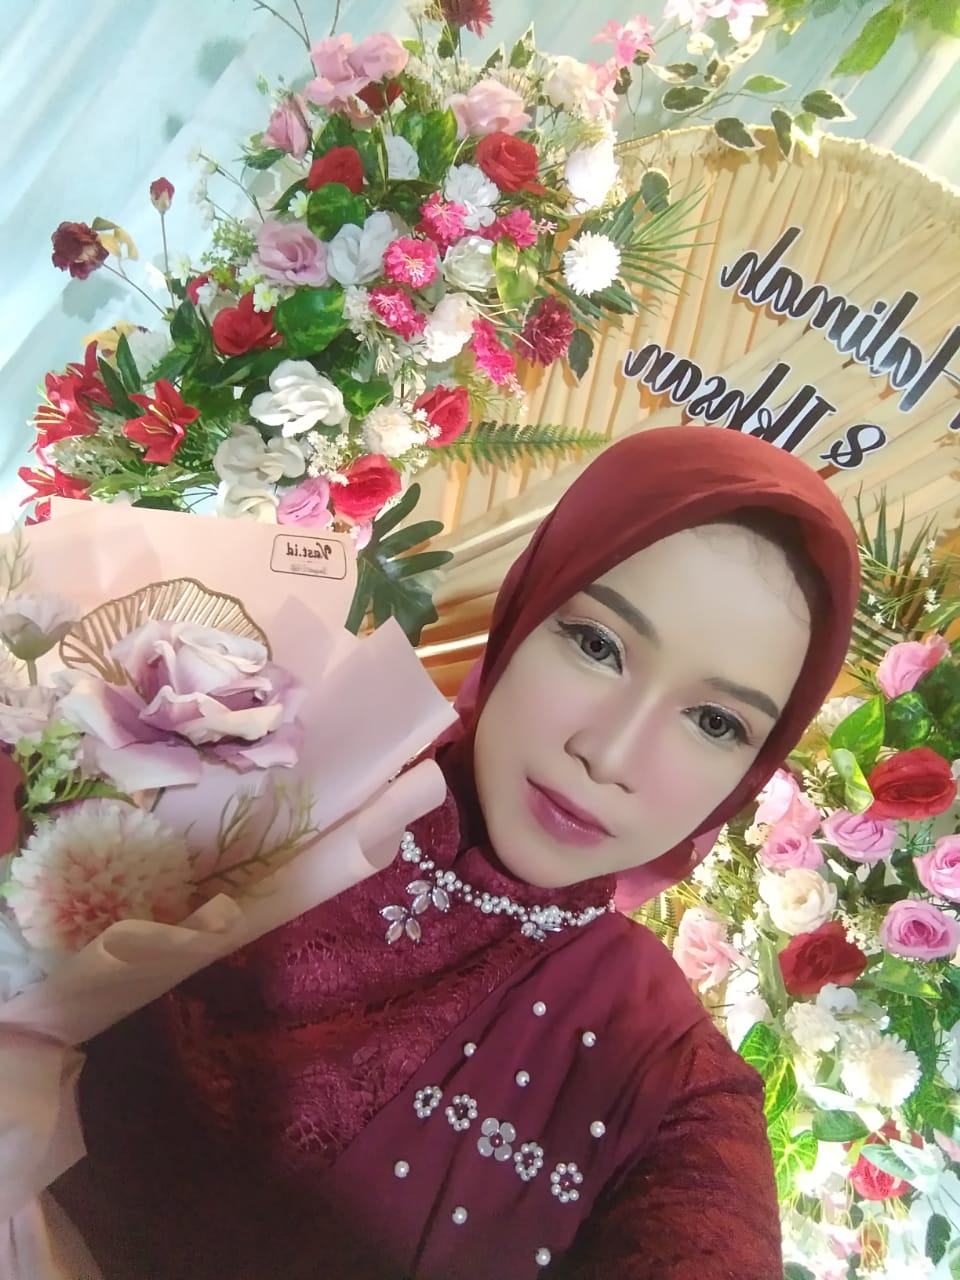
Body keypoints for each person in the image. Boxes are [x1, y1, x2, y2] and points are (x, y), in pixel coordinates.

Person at [54, 425, 860, 1279]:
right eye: (597, 644)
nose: (609, 755)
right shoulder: (250, 742)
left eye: (715, 722)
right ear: (525, 610)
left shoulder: (666, 1085)